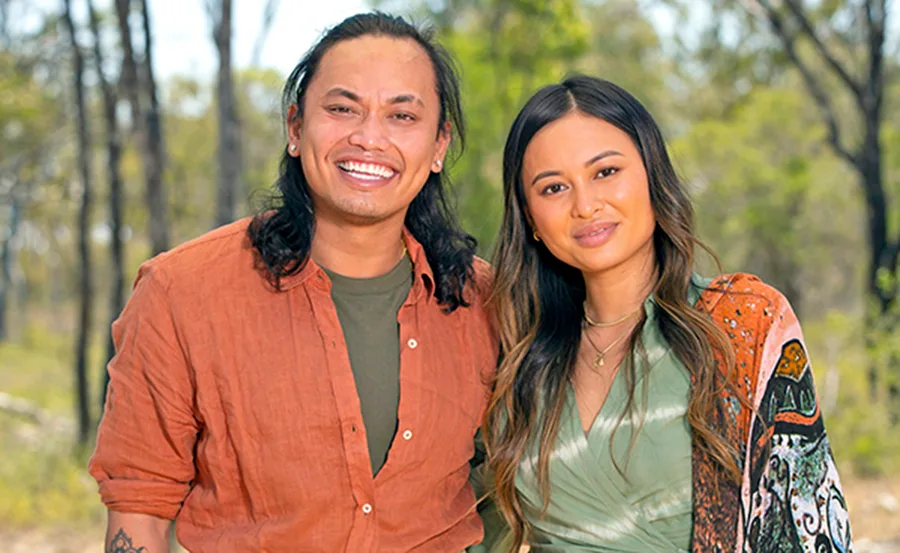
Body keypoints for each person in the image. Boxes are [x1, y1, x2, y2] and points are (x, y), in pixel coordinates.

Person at [89, 13, 497, 553]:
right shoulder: (182, 293)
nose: (368, 137)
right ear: (296, 128)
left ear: (439, 144)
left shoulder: (487, 303)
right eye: (342, 108)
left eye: (402, 115)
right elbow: (138, 509)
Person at [481, 75, 853, 552]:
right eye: (553, 188)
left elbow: (811, 529)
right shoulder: (516, 355)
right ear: (530, 218)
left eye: (606, 172)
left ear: (652, 175)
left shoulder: (740, 325)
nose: (586, 205)